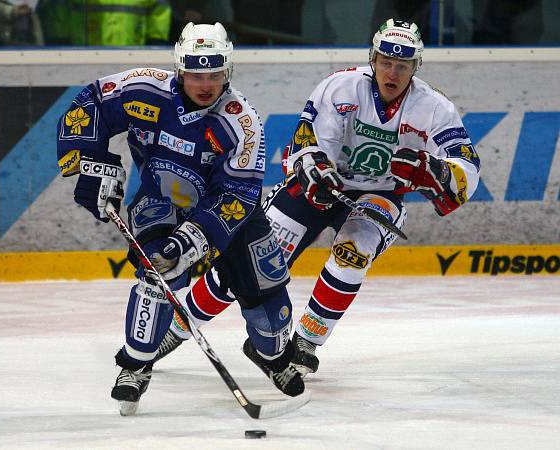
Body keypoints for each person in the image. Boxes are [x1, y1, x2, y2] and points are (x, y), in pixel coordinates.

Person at [152, 18, 481, 377]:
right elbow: (307, 145)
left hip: (379, 196)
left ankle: (305, 342)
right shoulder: (340, 87)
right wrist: (317, 171)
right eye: (386, 62)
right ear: (373, 59)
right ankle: (176, 329)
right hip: (316, 190)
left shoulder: (434, 107)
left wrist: (436, 171)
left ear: (416, 67)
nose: (393, 72)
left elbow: (466, 166)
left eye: (402, 65)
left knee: (353, 253)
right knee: (253, 263)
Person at [56, 21, 304, 416]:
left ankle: (272, 356)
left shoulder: (242, 121)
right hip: (161, 202)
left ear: (228, 71)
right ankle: (135, 366)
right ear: (179, 69)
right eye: (195, 73)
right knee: (159, 274)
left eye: (215, 73)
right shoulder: (144, 88)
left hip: (230, 216)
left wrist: (191, 240)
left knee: (269, 301)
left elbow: (236, 195)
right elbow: (91, 104)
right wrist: (93, 164)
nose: (205, 83)